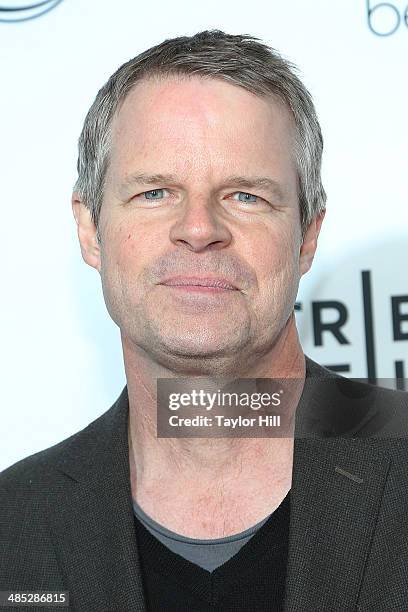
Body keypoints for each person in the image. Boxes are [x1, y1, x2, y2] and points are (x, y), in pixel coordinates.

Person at [0, 30, 407, 612]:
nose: (198, 228)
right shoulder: (13, 526)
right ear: (90, 229)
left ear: (307, 236)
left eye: (245, 196)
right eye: (156, 192)